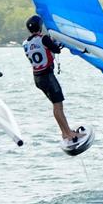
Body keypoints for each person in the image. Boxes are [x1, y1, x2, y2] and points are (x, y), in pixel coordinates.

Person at [22, 15, 83, 143]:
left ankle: (65, 133)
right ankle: (69, 134)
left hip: (37, 78)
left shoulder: (25, 43)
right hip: (48, 77)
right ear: (40, 26)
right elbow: (56, 50)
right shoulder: (43, 38)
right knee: (58, 106)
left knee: (56, 107)